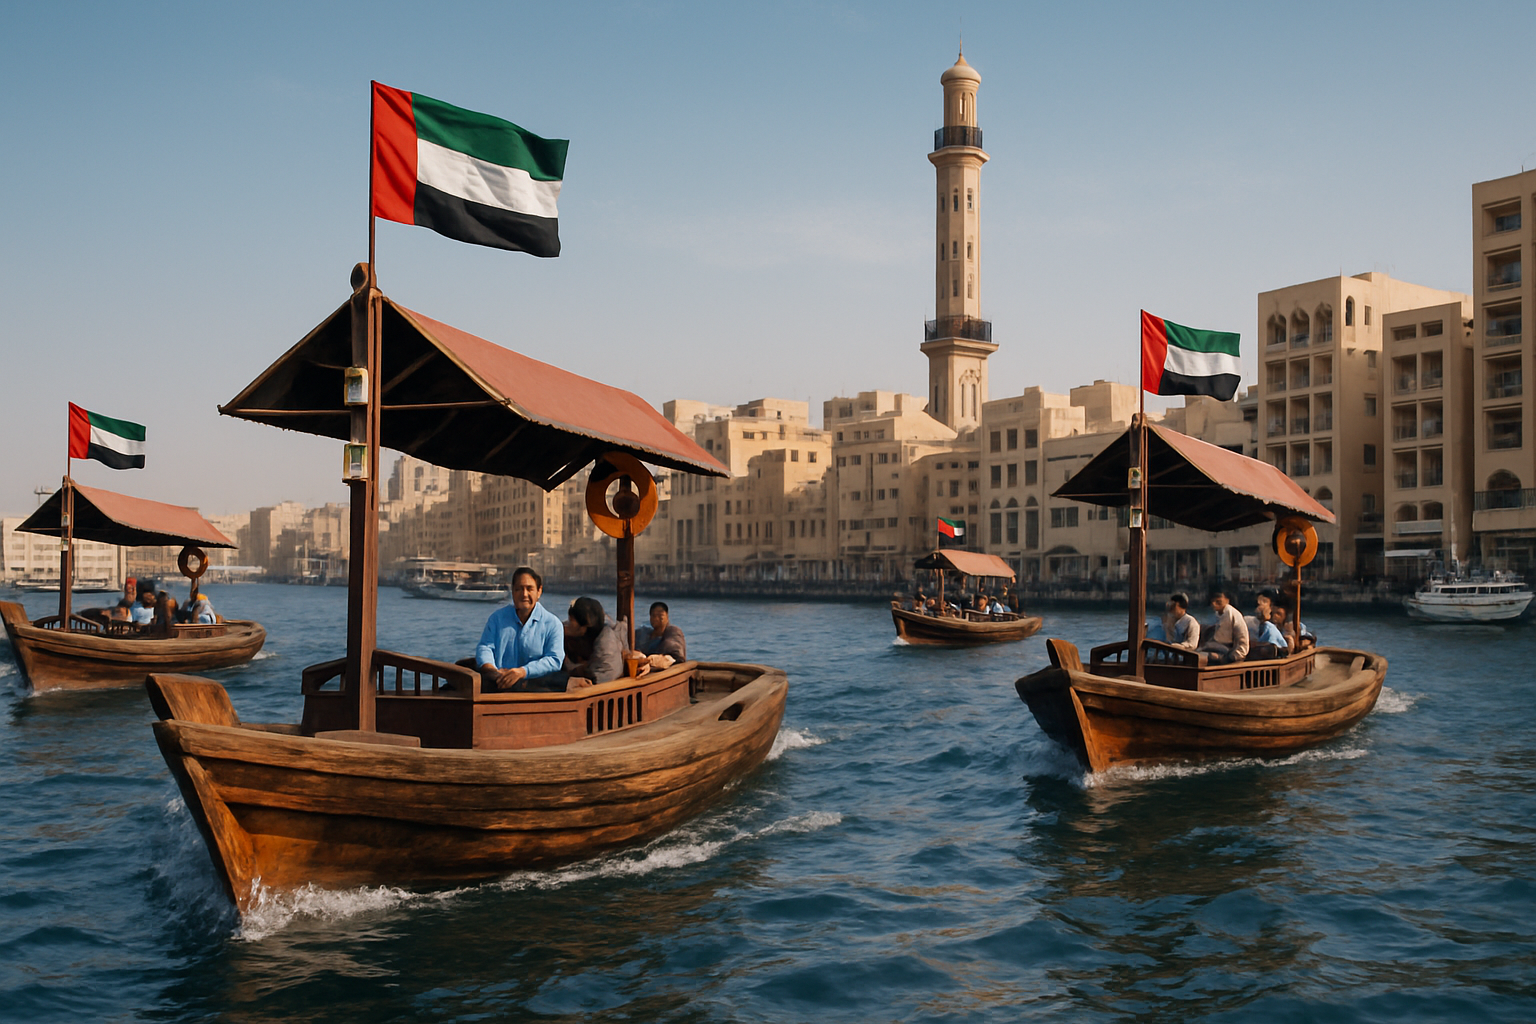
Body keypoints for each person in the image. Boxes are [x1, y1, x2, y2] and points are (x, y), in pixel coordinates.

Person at [474, 567, 568, 692]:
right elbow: (485, 647)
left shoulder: (552, 624)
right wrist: (491, 670)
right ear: (512, 591)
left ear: (539, 591)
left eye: (529, 589)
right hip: (499, 683)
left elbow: (554, 659)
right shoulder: (497, 619)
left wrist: (523, 672)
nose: (524, 594)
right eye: (519, 589)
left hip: (534, 687)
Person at [563, 596, 623, 685]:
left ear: (584, 626)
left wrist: (568, 664)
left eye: (571, 620)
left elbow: (595, 677)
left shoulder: (605, 644)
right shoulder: (605, 632)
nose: (568, 624)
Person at [1199, 589, 1249, 664]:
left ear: (1227, 600)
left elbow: (1242, 641)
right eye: (1213, 602)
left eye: (1218, 602)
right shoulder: (1218, 614)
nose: (1214, 604)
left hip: (1232, 652)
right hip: (1219, 647)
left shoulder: (1232, 614)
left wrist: (1233, 656)